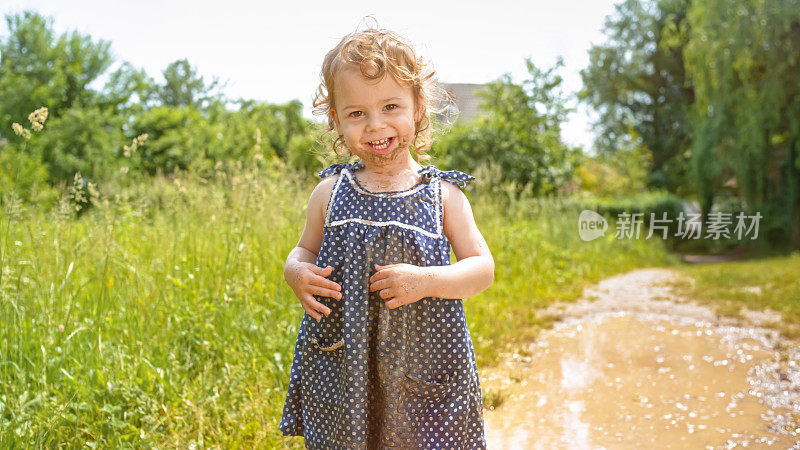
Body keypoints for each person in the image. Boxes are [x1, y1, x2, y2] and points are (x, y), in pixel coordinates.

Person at [279, 26, 494, 449]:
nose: (375, 125)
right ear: (337, 120)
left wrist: (427, 280)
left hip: (424, 363)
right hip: (346, 364)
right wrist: (296, 270)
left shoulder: (443, 196)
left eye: (391, 106)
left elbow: (482, 269)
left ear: (417, 107)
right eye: (356, 113)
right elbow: (304, 248)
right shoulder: (329, 192)